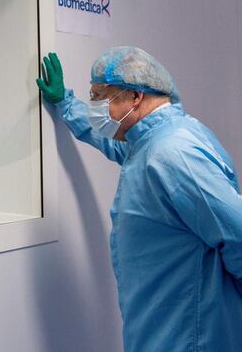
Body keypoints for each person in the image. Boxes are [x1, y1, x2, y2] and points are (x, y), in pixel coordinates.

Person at [37, 47, 242, 351]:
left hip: (192, 337)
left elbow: (237, 233)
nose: (95, 108)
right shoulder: (151, 141)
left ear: (135, 96)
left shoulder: (173, 153)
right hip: (170, 329)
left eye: (99, 97)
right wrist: (66, 104)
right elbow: (110, 142)